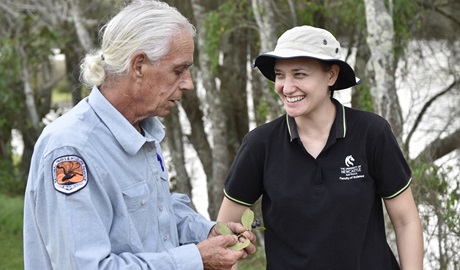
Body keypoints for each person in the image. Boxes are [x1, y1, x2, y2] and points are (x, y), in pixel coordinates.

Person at [23, 1, 256, 269]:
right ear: (139, 66)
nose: (188, 84)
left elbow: (155, 213)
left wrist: (204, 232)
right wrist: (195, 259)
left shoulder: (142, 129)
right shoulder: (72, 150)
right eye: (178, 70)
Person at [217, 25, 423, 269]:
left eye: (299, 74)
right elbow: (225, 234)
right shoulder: (259, 145)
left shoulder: (371, 133)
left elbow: (406, 221)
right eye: (280, 74)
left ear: (331, 76)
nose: (286, 86)